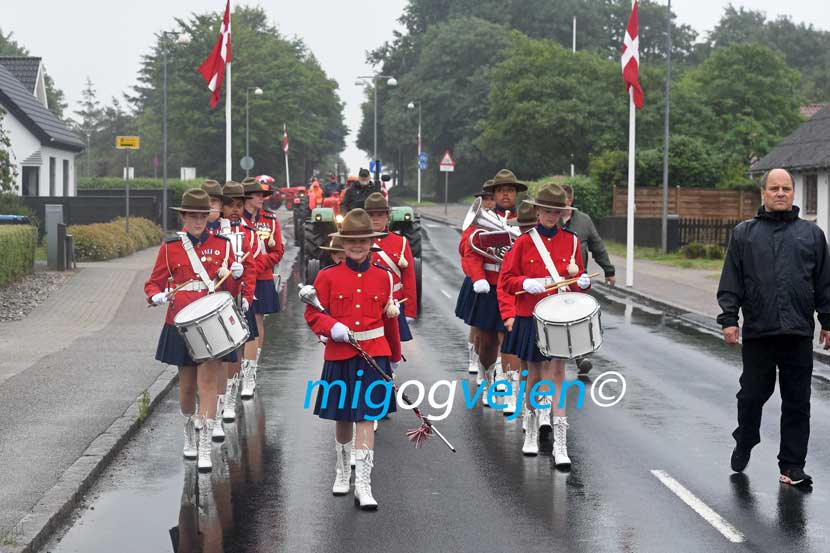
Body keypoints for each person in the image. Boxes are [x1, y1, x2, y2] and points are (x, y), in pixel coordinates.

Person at [717, 168, 830, 488]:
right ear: (763, 194)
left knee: (798, 402)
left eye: (786, 188)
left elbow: (824, 282)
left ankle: (792, 466)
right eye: (774, 188)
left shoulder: (812, 235)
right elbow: (732, 281)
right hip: (759, 331)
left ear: (793, 193)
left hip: (797, 332)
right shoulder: (744, 234)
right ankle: (746, 438)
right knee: (751, 396)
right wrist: (729, 319)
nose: (780, 193)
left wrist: (827, 319)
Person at [304, 209, 402, 509]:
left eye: (362, 240)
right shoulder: (326, 276)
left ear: (371, 242)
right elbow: (313, 314)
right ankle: (343, 470)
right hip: (341, 353)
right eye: (351, 241)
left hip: (374, 356)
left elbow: (390, 322)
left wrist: (394, 357)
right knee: (343, 415)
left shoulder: (385, 278)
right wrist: (330, 327)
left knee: (367, 416)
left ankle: (364, 483)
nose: (357, 246)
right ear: (342, 244)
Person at [144, 188, 246, 472]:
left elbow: (232, 290)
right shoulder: (170, 247)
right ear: (184, 217)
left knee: (208, 383)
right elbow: (153, 283)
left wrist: (238, 276)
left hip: (211, 320)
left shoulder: (223, 245)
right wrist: (156, 296)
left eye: (203, 215)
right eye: (193, 215)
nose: (199, 220)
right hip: (180, 321)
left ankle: (204, 447)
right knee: (187, 387)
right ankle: (189, 432)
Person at [500, 183, 591, 466]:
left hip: (560, 316)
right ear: (538, 210)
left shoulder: (572, 240)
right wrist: (525, 282)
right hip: (530, 314)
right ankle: (530, 433)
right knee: (536, 374)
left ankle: (561, 445)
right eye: (547, 211)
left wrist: (583, 283)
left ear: (564, 213)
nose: (552, 216)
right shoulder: (524, 242)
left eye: (557, 212)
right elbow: (507, 280)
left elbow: (576, 279)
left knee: (558, 375)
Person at [464, 170, 525, 404]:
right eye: (501, 190)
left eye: (510, 190)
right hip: (489, 287)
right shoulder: (485, 220)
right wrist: (478, 278)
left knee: (510, 339)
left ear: (516, 193)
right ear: (495, 194)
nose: (506, 194)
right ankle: (489, 382)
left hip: (513, 289)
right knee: (487, 341)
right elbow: (471, 253)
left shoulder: (525, 219)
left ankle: (510, 391)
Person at [559, 183, 615, 375]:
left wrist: (609, 270)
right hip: (553, 281)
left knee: (578, 319)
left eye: (562, 199)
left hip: (577, 282)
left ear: (570, 200)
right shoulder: (550, 220)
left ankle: (581, 357)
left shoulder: (584, 221)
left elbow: (597, 246)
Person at [219, 181, 263, 424]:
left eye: (238, 204)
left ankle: (229, 400)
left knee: (236, 351)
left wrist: (247, 297)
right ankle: (214, 401)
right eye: (229, 205)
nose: (235, 209)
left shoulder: (248, 233)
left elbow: (251, 268)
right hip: (216, 299)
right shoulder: (213, 232)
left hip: (239, 299)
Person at [241, 177, 285, 398]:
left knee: (257, 319)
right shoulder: (236, 220)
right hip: (239, 278)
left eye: (263, 195)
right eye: (257, 194)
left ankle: (251, 369)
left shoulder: (271, 220)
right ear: (246, 197)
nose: (261, 198)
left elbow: (278, 251)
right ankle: (240, 365)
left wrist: (257, 266)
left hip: (262, 276)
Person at [497, 201, 537, 417]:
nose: (526, 231)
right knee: (519, 361)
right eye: (522, 227)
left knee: (542, 367)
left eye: (531, 226)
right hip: (519, 314)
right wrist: (509, 315)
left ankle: (538, 408)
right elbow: (504, 287)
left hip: (543, 315)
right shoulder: (516, 248)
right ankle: (513, 397)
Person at [365, 192, 418, 343]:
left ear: (387, 217)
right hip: (368, 304)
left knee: (391, 351)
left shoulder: (401, 242)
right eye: (371, 215)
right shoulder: (359, 242)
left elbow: (409, 279)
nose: (375, 218)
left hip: (393, 305)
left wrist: (410, 311)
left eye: (380, 215)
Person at [456, 185, 496, 378]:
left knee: (490, 330)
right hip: (477, 279)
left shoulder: (499, 220)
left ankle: (491, 365)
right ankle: (474, 358)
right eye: (485, 199)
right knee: (477, 326)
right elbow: (465, 251)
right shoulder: (473, 226)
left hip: (494, 281)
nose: (488, 203)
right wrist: (476, 277)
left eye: (491, 199)